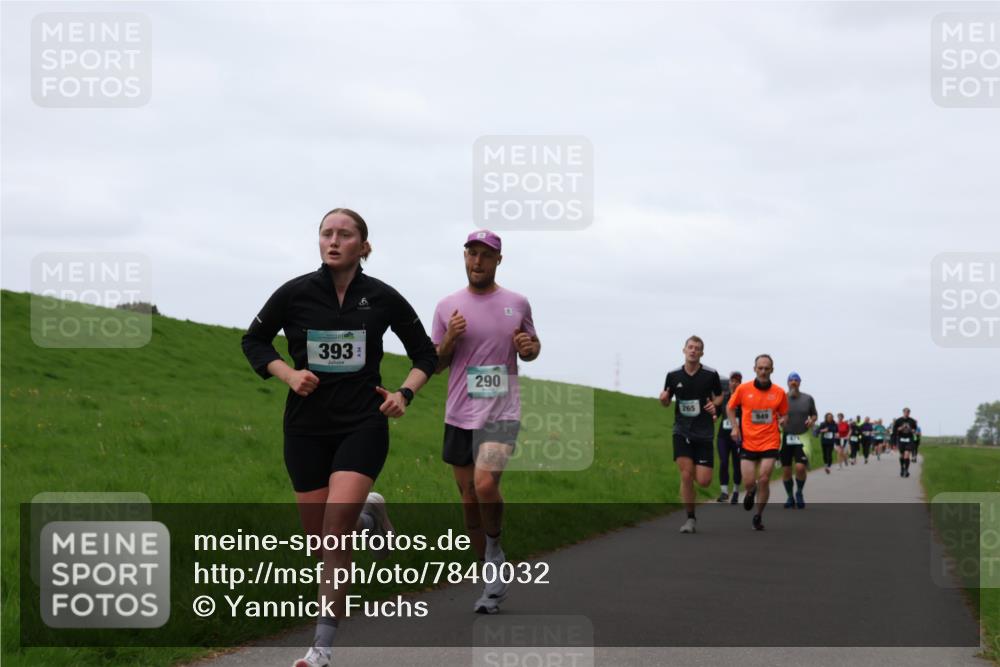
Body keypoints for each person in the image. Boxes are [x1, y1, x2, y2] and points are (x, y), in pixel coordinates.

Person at [241, 208, 438, 667]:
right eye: (326, 234)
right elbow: (254, 340)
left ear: (363, 246)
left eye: (344, 235)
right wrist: (288, 374)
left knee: (332, 536)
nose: (333, 241)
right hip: (306, 427)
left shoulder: (382, 297)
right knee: (321, 541)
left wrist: (404, 393)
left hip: (362, 423)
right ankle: (370, 516)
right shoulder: (295, 294)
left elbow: (425, 354)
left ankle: (322, 647)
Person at [432, 230, 540, 614]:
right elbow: (437, 362)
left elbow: (531, 348)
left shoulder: (517, 302)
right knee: (467, 499)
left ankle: (495, 548)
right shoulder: (447, 307)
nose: (477, 261)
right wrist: (450, 339)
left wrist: (529, 348)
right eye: (471, 253)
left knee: (484, 483)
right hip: (460, 412)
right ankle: (490, 580)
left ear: (498, 260)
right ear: (464, 257)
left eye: (485, 255)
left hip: (501, 411)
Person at [660, 336, 724, 533]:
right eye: (690, 347)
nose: (693, 351)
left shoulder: (710, 374)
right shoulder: (673, 375)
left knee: (703, 481)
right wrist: (663, 399)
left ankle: (690, 485)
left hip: (704, 432)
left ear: (702, 353)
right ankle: (690, 518)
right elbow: (666, 400)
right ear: (684, 350)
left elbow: (720, 395)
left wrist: (716, 404)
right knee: (686, 475)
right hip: (682, 430)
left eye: (697, 348)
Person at [727, 354, 788, 531]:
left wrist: (784, 420)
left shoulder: (778, 392)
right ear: (754, 369)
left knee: (763, 478)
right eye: (760, 368)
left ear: (772, 370)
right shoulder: (743, 389)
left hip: (770, 441)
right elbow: (730, 407)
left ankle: (758, 515)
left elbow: (784, 413)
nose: (763, 371)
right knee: (749, 482)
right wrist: (735, 427)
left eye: (766, 368)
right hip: (748, 442)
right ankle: (750, 492)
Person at [780, 372, 817, 508]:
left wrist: (811, 420)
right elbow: (775, 414)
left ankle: (799, 492)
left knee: (800, 467)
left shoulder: (808, 399)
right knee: (786, 471)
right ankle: (790, 497)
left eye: (796, 380)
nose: (793, 382)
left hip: (802, 436)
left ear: (800, 382)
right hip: (786, 436)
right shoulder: (782, 397)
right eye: (791, 380)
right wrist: (780, 419)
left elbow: (814, 414)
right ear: (788, 383)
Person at [716, 371, 743, 505]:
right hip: (723, 436)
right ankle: (724, 492)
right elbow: (715, 412)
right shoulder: (724, 397)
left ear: (740, 384)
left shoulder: (744, 399)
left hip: (738, 437)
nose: (734, 383)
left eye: (737, 381)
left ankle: (736, 492)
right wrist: (713, 416)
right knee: (724, 462)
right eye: (732, 381)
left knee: (737, 465)